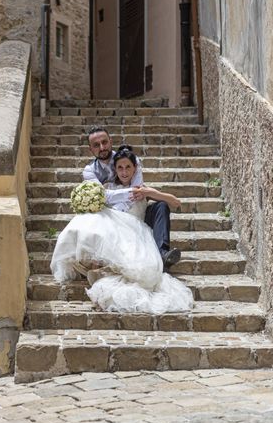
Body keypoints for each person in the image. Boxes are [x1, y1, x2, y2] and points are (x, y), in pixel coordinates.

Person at [50, 146, 194, 314]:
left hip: (137, 230)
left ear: (135, 169)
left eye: (128, 167)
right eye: (120, 167)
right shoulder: (107, 187)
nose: (124, 172)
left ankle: (162, 253)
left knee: (161, 206)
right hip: (116, 229)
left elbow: (176, 202)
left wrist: (150, 192)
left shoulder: (142, 189)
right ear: (115, 169)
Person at [83, 126, 181, 268]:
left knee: (161, 206)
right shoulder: (89, 171)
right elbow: (103, 196)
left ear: (111, 142)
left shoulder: (131, 158)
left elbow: (136, 191)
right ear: (90, 149)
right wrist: (116, 210)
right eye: (96, 145)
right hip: (111, 215)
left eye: (105, 142)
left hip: (136, 212)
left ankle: (163, 254)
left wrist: (143, 193)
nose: (102, 147)